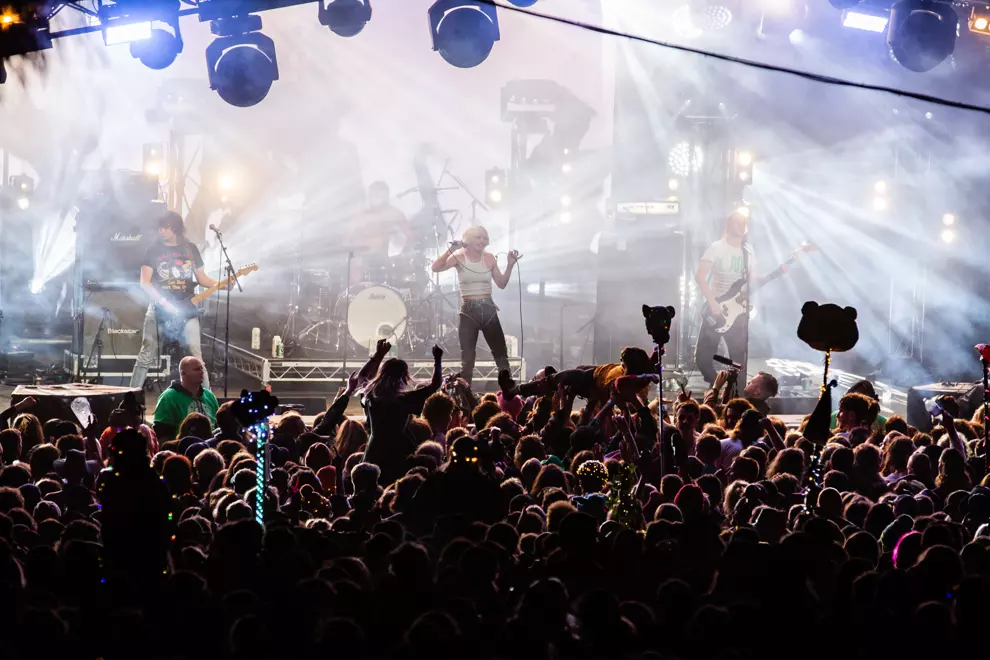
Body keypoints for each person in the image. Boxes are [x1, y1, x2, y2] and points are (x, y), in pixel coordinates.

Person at [130, 211, 222, 389]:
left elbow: (202, 278)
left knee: (196, 355)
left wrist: (223, 285)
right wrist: (165, 303)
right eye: (160, 228)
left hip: (186, 308)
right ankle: (130, 396)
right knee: (146, 354)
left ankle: (208, 398)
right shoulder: (153, 250)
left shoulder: (190, 249)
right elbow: (145, 283)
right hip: (159, 308)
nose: (162, 231)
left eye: (166, 227)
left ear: (176, 228)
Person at [694, 211, 786, 385]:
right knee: (702, 360)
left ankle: (736, 395)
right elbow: (700, 276)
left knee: (738, 363)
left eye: (744, 222)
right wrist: (712, 302)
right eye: (737, 222)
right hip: (717, 309)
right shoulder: (717, 247)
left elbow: (752, 280)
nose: (741, 225)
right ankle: (718, 385)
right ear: (728, 225)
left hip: (739, 313)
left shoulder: (748, 251)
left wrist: (777, 272)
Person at [430, 225, 519, 385]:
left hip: (488, 308)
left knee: (501, 355)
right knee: (467, 358)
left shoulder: (489, 258)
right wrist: (451, 249)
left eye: (484, 238)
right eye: (478, 237)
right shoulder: (459, 257)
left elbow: (501, 283)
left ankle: (508, 392)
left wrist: (510, 265)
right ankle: (465, 394)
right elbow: (435, 268)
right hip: (468, 310)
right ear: (468, 240)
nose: (482, 240)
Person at [361, 344, 444, 485]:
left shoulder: (371, 398)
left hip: (373, 451)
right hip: (396, 454)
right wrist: (438, 359)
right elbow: (435, 385)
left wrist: (379, 356)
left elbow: (364, 377)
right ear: (404, 377)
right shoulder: (403, 401)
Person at [348, 181, 413, 285]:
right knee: (356, 279)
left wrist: (404, 253)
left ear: (386, 196)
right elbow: (346, 239)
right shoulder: (360, 215)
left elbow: (411, 236)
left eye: (378, 195)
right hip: (361, 263)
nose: (374, 198)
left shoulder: (394, 213)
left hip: (383, 262)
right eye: (372, 194)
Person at [152, 356, 219, 442]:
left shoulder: (209, 395)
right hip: (182, 447)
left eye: (202, 368)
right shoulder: (168, 397)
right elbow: (161, 435)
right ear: (183, 373)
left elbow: (219, 425)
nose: (202, 372)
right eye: (197, 369)